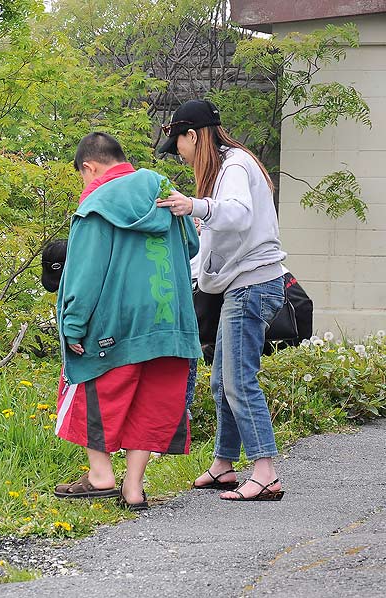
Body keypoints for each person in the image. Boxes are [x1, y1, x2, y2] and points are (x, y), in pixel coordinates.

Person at [53, 132, 202, 511]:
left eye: (82, 176)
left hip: (114, 321)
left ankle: (101, 474)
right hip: (171, 317)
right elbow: (192, 246)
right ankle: (133, 489)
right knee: (153, 400)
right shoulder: (163, 190)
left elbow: (85, 274)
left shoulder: (96, 206)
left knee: (94, 389)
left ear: (90, 167)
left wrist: (73, 324)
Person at [157, 99, 287, 501]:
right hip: (244, 285)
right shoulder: (228, 168)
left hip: (252, 285)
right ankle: (223, 465)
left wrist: (193, 205)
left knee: (238, 379)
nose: (178, 152)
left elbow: (237, 215)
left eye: (178, 142)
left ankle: (264, 471)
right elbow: (218, 234)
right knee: (220, 380)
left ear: (193, 135)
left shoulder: (233, 165)